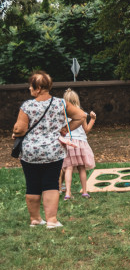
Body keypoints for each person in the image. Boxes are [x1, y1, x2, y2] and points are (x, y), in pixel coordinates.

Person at [11, 71, 87, 228]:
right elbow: (81, 116)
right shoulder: (61, 103)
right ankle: (51, 220)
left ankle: (35, 219)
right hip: (53, 151)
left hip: (30, 152)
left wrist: (15, 131)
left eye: (31, 87)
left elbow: (20, 130)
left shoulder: (27, 106)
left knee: (32, 184)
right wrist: (65, 129)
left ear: (38, 88)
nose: (30, 90)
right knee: (51, 184)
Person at [61, 89, 97, 200]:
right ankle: (85, 192)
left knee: (68, 168)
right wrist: (93, 119)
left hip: (68, 142)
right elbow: (86, 130)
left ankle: (67, 192)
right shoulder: (81, 114)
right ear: (77, 100)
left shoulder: (62, 113)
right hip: (80, 143)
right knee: (82, 168)